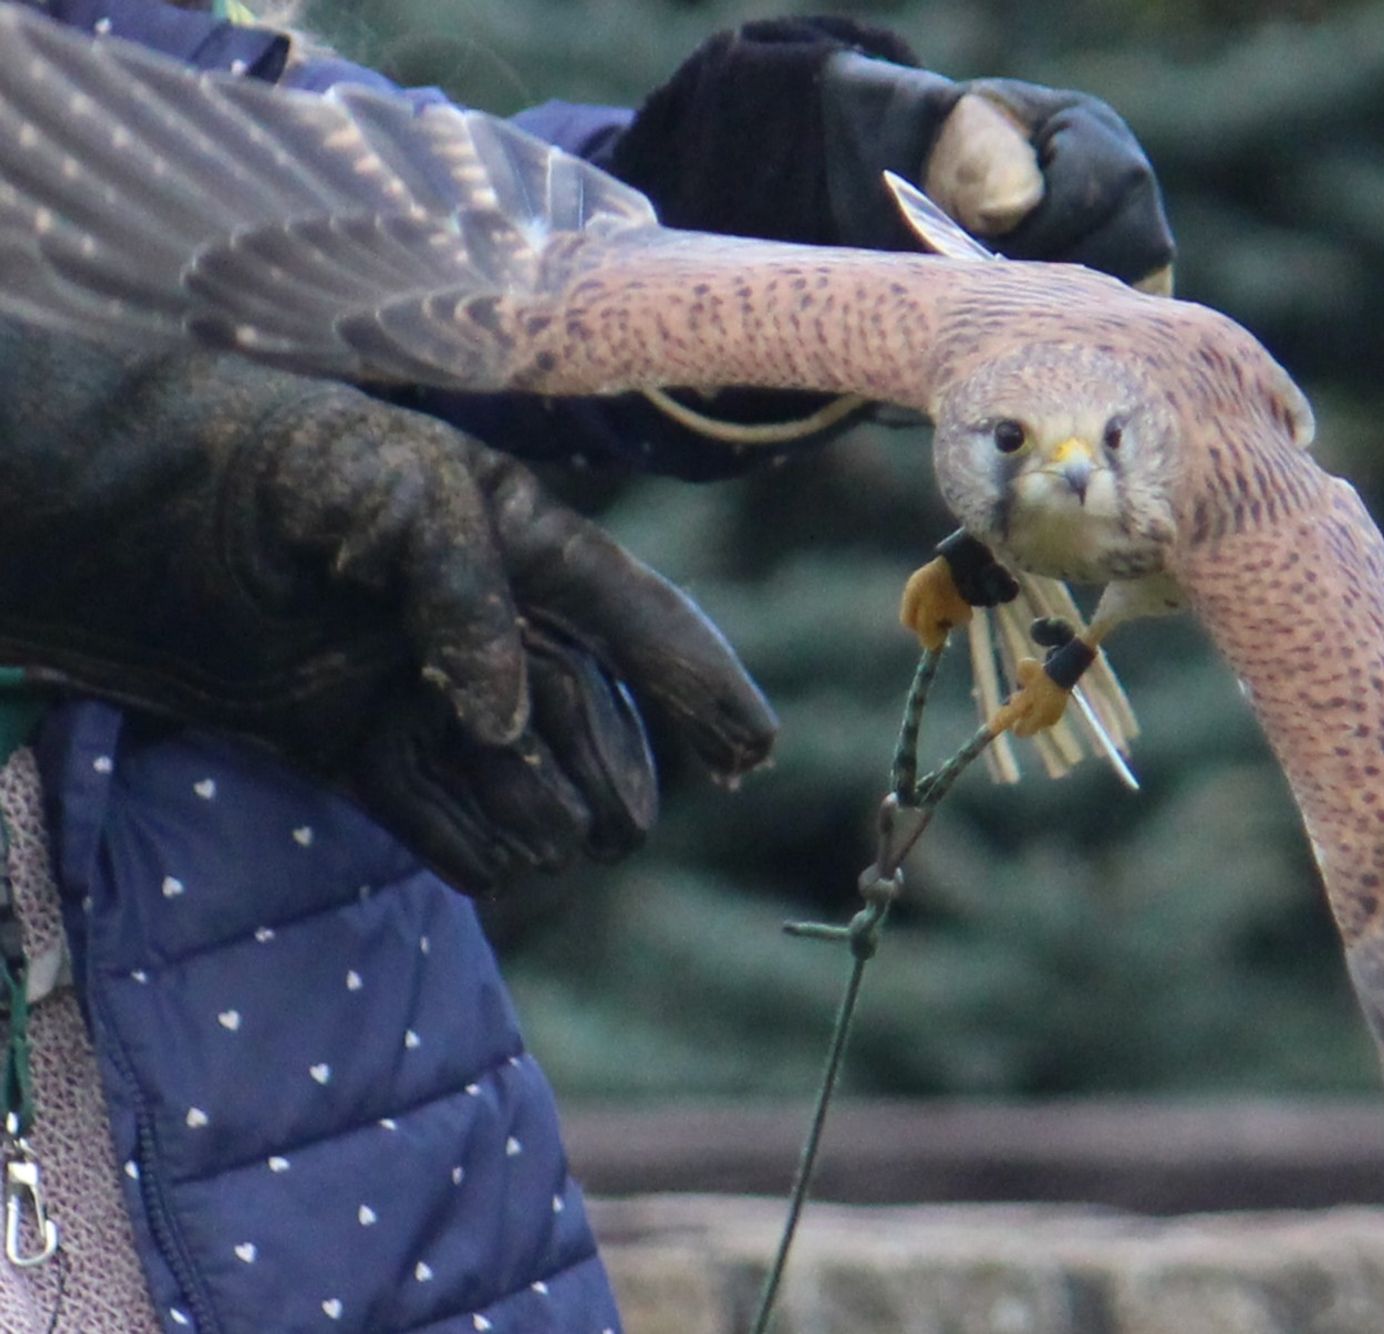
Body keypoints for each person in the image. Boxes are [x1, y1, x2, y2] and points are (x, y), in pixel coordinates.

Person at [0, 2, 1175, 1329]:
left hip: (337, 1170)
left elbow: (424, 229)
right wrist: (143, 479)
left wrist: (802, 199)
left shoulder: (124, 47)